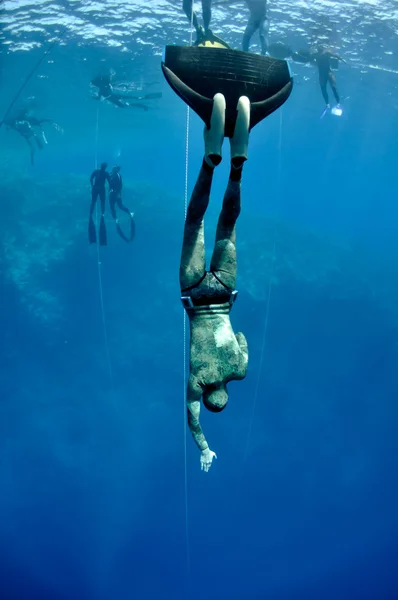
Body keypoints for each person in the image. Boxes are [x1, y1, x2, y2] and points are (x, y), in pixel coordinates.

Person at [181, 93, 250, 472]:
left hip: (223, 293)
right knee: (195, 222)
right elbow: (192, 417)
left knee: (228, 226)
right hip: (193, 293)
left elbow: (242, 341)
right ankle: (210, 162)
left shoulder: (239, 369)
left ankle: (236, 166)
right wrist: (203, 447)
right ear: (209, 393)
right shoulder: (197, 381)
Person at [109, 166, 136, 242]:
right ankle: (129, 213)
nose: (113, 170)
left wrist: (115, 191)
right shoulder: (116, 175)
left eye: (114, 169)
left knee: (112, 206)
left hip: (114, 193)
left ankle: (116, 219)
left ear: (116, 170)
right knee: (120, 206)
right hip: (117, 193)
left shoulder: (116, 175)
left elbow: (114, 183)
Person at [89, 162, 110, 245]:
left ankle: (90, 214)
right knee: (102, 202)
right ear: (105, 167)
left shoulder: (96, 171)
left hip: (95, 188)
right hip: (101, 189)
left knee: (93, 202)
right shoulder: (106, 173)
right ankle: (103, 214)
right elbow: (109, 181)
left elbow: (90, 179)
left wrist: (92, 186)